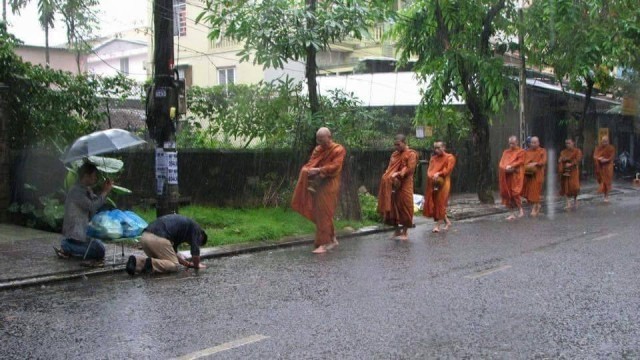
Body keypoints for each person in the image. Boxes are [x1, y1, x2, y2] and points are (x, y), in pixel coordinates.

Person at [291, 127, 346, 254]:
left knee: (324, 212)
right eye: (318, 139)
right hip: (317, 183)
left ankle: (324, 243)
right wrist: (308, 171)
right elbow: (311, 163)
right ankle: (332, 238)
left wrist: (320, 170)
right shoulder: (318, 149)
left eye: (322, 139)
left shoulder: (338, 149)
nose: (319, 142)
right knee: (319, 212)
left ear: (329, 137)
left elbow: (336, 167)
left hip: (330, 183)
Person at [54, 162, 113, 266]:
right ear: (86, 176)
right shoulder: (76, 191)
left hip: (83, 232)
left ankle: (69, 247)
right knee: (100, 251)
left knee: (99, 246)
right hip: (75, 233)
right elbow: (92, 206)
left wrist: (104, 189)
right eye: (94, 176)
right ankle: (66, 246)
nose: (96, 179)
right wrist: (105, 192)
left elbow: (96, 201)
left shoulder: (85, 189)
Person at [126, 214, 207, 275]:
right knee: (174, 266)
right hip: (158, 238)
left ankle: (135, 261)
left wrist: (188, 264)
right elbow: (195, 253)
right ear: (201, 235)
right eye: (199, 242)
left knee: (163, 262)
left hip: (145, 237)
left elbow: (173, 255)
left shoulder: (180, 231)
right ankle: (151, 263)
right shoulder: (196, 229)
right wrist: (197, 265)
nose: (195, 242)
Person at [377, 134, 419, 240]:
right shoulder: (394, 154)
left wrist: (399, 173)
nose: (397, 147)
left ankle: (405, 232)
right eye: (395, 145)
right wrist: (387, 175)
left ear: (405, 143)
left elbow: (410, 169)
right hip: (393, 184)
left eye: (399, 144)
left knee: (405, 206)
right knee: (392, 207)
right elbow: (390, 168)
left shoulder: (411, 154)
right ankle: (397, 231)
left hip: (405, 183)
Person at [423, 141, 455, 233]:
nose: (436, 150)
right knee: (436, 202)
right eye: (435, 148)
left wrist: (439, 173)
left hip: (444, 182)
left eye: (438, 148)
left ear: (444, 147)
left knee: (441, 203)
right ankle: (447, 222)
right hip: (433, 182)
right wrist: (431, 176)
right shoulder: (433, 158)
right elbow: (429, 170)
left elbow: (448, 170)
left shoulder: (450, 157)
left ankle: (437, 226)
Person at [499, 136, 525, 220]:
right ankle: (511, 213)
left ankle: (521, 210)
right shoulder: (506, 152)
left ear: (517, 142)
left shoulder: (521, 151)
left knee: (515, 193)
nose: (511, 145)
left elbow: (520, 161)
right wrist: (504, 168)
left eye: (513, 143)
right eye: (510, 143)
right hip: (507, 175)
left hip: (515, 175)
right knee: (508, 194)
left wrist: (511, 166)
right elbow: (502, 162)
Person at [522, 136, 547, 217]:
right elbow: (524, 161)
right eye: (532, 143)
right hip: (529, 174)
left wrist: (536, 163)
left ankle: (534, 208)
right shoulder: (527, 152)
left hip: (538, 174)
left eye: (535, 142)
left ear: (538, 143)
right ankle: (537, 205)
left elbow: (543, 161)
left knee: (535, 191)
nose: (533, 144)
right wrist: (528, 165)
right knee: (528, 191)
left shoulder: (542, 151)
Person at [558, 138, 583, 210]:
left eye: (569, 143)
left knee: (575, 187)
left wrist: (571, 164)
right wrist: (560, 161)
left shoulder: (577, 151)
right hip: (565, 171)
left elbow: (578, 159)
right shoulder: (563, 152)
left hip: (573, 171)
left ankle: (575, 199)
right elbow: (561, 159)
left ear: (573, 143)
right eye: (566, 143)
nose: (567, 145)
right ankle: (568, 203)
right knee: (566, 187)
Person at [593, 136, 615, 202]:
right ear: (601, 141)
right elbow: (595, 155)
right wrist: (599, 158)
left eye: (606, 141)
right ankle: (604, 193)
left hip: (608, 166)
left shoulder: (611, 148)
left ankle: (606, 196)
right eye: (603, 141)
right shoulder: (598, 148)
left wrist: (606, 160)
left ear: (608, 141)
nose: (604, 143)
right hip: (600, 166)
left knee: (606, 181)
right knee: (601, 180)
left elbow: (611, 156)